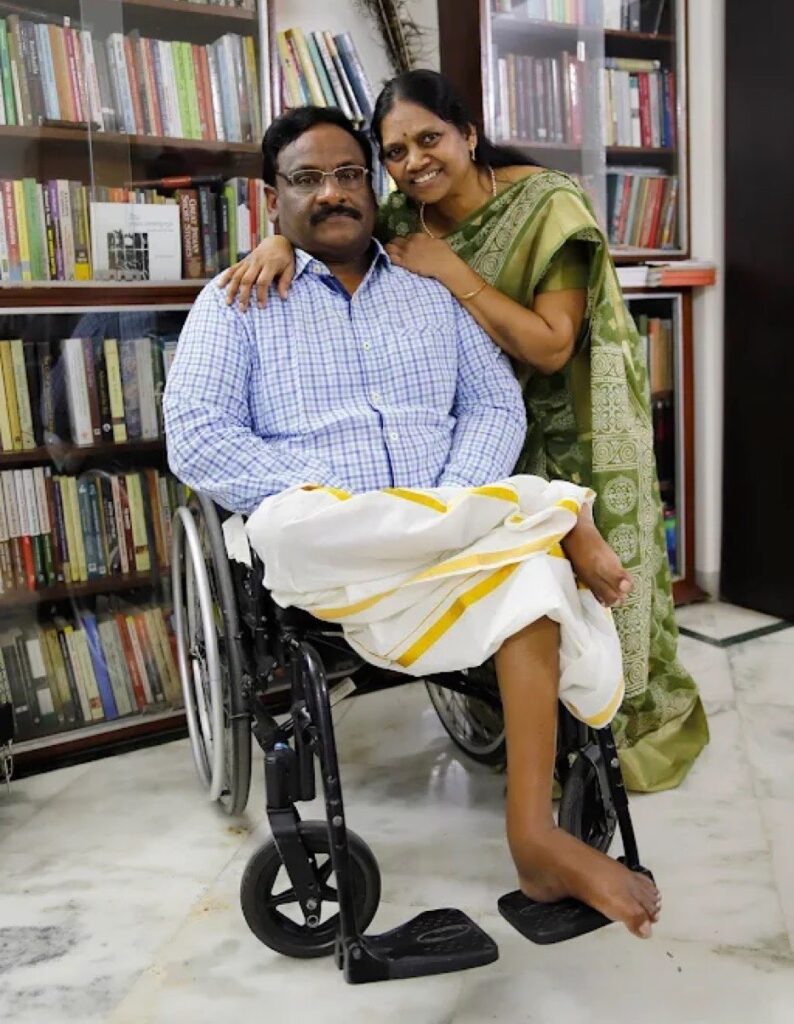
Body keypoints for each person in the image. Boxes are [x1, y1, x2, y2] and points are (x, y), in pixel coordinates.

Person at [164, 106, 661, 937]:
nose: (332, 193)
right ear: (271, 198)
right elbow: (200, 437)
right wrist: (335, 499)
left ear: (374, 186)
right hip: (333, 540)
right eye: (307, 179)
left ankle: (535, 838)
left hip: (446, 521)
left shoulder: (432, 290)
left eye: (350, 174)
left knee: (533, 576)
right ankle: (544, 513)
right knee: (285, 526)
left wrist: (446, 500)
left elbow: (495, 404)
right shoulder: (237, 301)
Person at [219, 70, 708, 795]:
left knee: (610, 589)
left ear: (468, 134)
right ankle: (537, 723)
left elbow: (549, 348)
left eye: (429, 138)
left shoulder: (547, 202)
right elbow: (322, 207)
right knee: (513, 560)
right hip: (471, 431)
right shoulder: (399, 214)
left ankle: (616, 736)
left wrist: (452, 272)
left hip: (573, 414)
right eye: (393, 151)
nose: (413, 161)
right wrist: (275, 246)